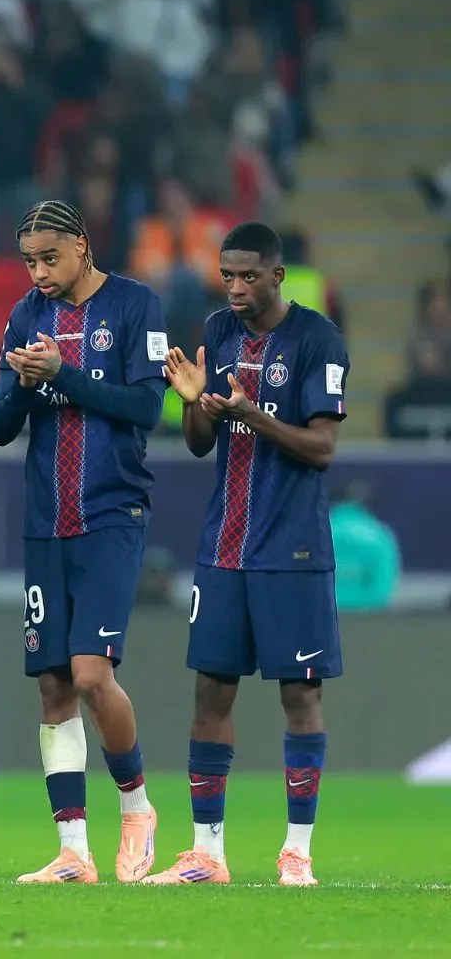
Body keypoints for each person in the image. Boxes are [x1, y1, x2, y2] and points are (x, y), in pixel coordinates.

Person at [155, 221, 349, 888]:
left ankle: (297, 852)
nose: (234, 287)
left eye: (247, 276)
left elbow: (322, 447)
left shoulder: (317, 338)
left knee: (300, 694)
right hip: (224, 546)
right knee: (211, 693)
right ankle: (206, 853)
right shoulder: (217, 331)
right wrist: (195, 406)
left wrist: (250, 413)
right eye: (226, 275)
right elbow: (199, 443)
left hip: (290, 545)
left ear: (277, 276)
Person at [0, 200, 166, 885]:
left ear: (83, 247)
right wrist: (27, 385)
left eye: (49, 258)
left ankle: (137, 807)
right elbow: (1, 424)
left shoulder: (132, 305)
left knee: (92, 673)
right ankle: (73, 852)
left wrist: (62, 374)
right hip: (45, 521)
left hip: (112, 513)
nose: (39, 273)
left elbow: (148, 408)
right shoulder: (26, 315)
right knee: (54, 686)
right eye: (29, 261)